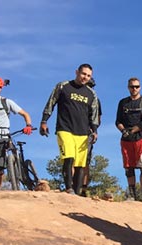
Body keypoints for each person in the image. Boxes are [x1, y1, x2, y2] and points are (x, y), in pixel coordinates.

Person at [39, 63, 100, 195]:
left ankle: (76, 193)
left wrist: (94, 130)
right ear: (77, 72)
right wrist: (44, 121)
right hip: (64, 128)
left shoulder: (91, 94)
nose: (85, 77)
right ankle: (69, 188)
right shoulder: (63, 86)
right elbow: (51, 103)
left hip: (83, 132)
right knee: (69, 157)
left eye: (88, 76)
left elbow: (94, 114)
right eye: (83, 74)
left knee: (79, 164)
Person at [115, 77, 142, 202]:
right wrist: (123, 130)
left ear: (140, 87)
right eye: (132, 86)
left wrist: (132, 130)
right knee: (128, 168)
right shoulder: (123, 103)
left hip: (141, 138)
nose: (134, 89)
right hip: (126, 140)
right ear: (128, 87)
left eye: (136, 86)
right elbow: (118, 121)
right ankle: (132, 195)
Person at [80, 77, 104, 197]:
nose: (89, 87)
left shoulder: (95, 99)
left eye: (91, 85)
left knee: (85, 161)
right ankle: (73, 186)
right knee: (72, 160)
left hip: (87, 132)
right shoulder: (77, 96)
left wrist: (94, 129)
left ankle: (83, 189)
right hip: (74, 129)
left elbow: (98, 118)